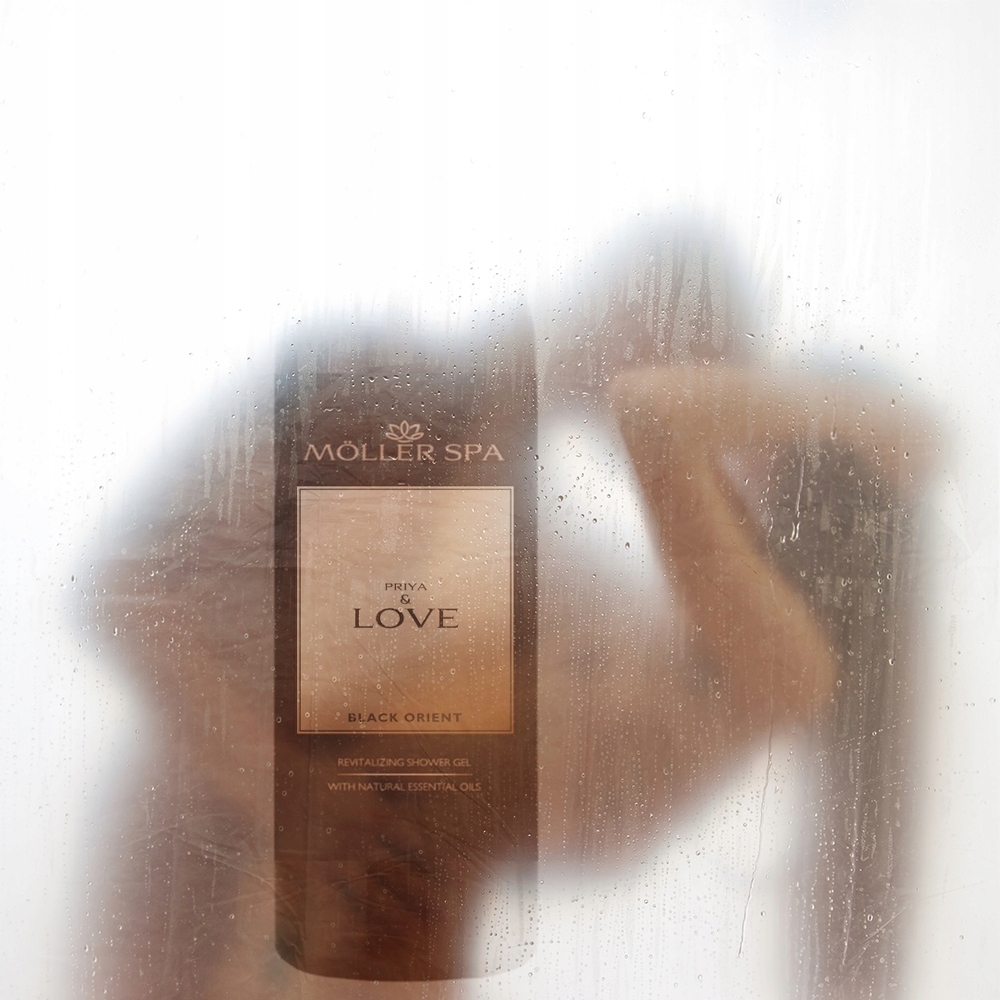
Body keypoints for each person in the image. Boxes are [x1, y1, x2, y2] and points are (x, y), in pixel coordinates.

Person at [82, 218, 935, 998]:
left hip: (355, 903)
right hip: (265, 885)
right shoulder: (430, 444)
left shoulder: (752, 655)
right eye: (712, 370)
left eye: (749, 426)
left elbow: (653, 418)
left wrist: (857, 418)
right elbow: (135, 596)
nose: (732, 448)